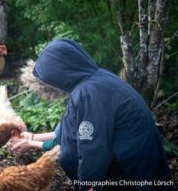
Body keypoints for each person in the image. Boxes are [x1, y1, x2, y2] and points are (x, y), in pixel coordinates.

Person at [11, 39, 173, 191]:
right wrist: (32, 138)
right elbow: (68, 132)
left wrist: (89, 186)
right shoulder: (98, 79)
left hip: (132, 175)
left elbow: (93, 151)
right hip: (140, 169)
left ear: (59, 74)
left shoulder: (89, 93)